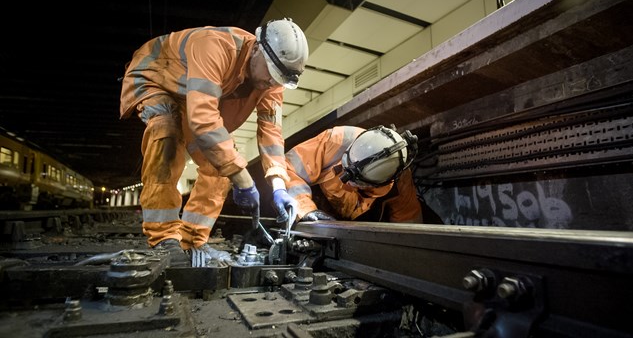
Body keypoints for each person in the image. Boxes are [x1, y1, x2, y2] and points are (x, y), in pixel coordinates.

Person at [119, 18, 308, 267]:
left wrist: (278, 185)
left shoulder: (274, 79)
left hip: (191, 96)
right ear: (257, 49)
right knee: (167, 134)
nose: (273, 84)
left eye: (279, 80)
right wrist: (243, 179)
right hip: (156, 77)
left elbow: (271, 132)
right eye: (272, 75)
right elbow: (203, 120)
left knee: (223, 162)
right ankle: (164, 238)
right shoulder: (215, 47)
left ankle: (192, 240)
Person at [283, 125, 423, 225]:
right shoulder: (335, 141)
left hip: (362, 225)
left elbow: (407, 220)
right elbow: (287, 169)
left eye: (359, 183)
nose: (347, 183)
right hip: (317, 211)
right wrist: (306, 210)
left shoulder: (400, 180)